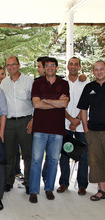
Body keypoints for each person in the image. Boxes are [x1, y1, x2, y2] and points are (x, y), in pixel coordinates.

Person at [29, 57, 69, 203]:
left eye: (53, 65)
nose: (50, 67)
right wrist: (56, 103)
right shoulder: (37, 83)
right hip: (40, 129)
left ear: (57, 68)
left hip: (57, 129)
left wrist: (46, 100)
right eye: (47, 66)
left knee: (53, 160)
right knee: (36, 160)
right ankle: (33, 191)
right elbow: (36, 105)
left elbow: (64, 103)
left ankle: (49, 188)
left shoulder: (63, 83)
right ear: (44, 68)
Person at [0, 56, 33, 194]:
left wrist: (33, 119)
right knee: (9, 155)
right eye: (8, 65)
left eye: (13, 64)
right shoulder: (4, 83)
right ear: (6, 67)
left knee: (27, 154)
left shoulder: (29, 81)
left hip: (26, 122)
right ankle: (8, 182)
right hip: (9, 123)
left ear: (19, 65)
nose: (11, 67)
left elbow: (36, 101)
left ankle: (29, 183)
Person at [56, 57, 89, 195]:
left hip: (81, 124)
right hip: (64, 124)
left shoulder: (86, 83)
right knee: (64, 154)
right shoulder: (62, 83)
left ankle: (82, 185)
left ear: (80, 67)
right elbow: (59, 105)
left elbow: (87, 104)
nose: (73, 66)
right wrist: (70, 119)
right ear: (67, 66)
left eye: (76, 64)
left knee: (83, 156)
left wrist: (77, 120)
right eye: (71, 64)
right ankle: (64, 183)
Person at [77, 60, 105, 201]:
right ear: (93, 72)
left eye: (101, 69)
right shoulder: (89, 87)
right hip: (93, 131)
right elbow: (83, 109)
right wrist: (86, 129)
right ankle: (102, 190)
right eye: (96, 69)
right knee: (96, 162)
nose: (99, 71)